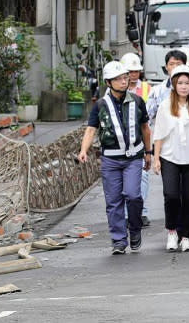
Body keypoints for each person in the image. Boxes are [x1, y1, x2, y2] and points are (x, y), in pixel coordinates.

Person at [79, 61, 152, 255]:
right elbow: (91, 129)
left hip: (133, 158)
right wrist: (83, 150)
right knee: (113, 201)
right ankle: (119, 240)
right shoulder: (101, 105)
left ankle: (135, 229)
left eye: (125, 78)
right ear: (108, 82)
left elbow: (145, 128)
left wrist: (148, 152)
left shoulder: (137, 101)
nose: (123, 81)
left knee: (133, 195)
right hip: (110, 160)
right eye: (118, 79)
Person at [147, 49, 189, 225]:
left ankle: (187, 232)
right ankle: (173, 229)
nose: (183, 86)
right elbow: (153, 123)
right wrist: (154, 155)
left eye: (178, 64)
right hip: (169, 152)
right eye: (171, 64)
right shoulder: (159, 94)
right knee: (172, 194)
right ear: (166, 67)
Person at [120, 52, 152, 227]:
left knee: (143, 176)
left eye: (135, 71)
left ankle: (142, 211)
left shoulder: (147, 89)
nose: (133, 75)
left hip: (141, 139)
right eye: (129, 71)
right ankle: (127, 214)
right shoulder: (115, 89)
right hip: (122, 141)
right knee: (125, 180)